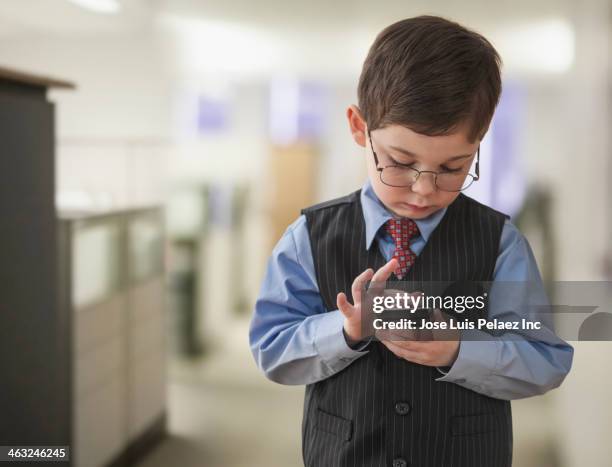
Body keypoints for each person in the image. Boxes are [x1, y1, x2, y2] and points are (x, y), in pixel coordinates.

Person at [249, 15, 573, 467]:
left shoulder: (501, 244)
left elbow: (545, 360)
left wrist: (458, 348)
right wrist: (346, 331)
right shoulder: (308, 238)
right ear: (360, 128)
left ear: (478, 145)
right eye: (400, 163)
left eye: (453, 168)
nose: (424, 189)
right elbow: (272, 349)